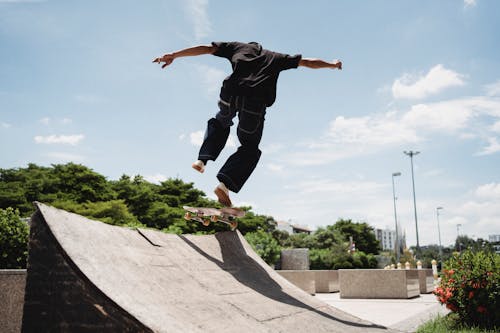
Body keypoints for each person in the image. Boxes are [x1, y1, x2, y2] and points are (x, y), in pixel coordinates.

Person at [153, 42, 342, 207]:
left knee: (221, 121)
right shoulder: (277, 58)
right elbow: (308, 62)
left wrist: (174, 55)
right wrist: (331, 65)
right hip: (255, 102)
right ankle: (224, 185)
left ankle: (202, 160)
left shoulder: (237, 46)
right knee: (250, 147)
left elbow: (206, 48)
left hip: (230, 94)